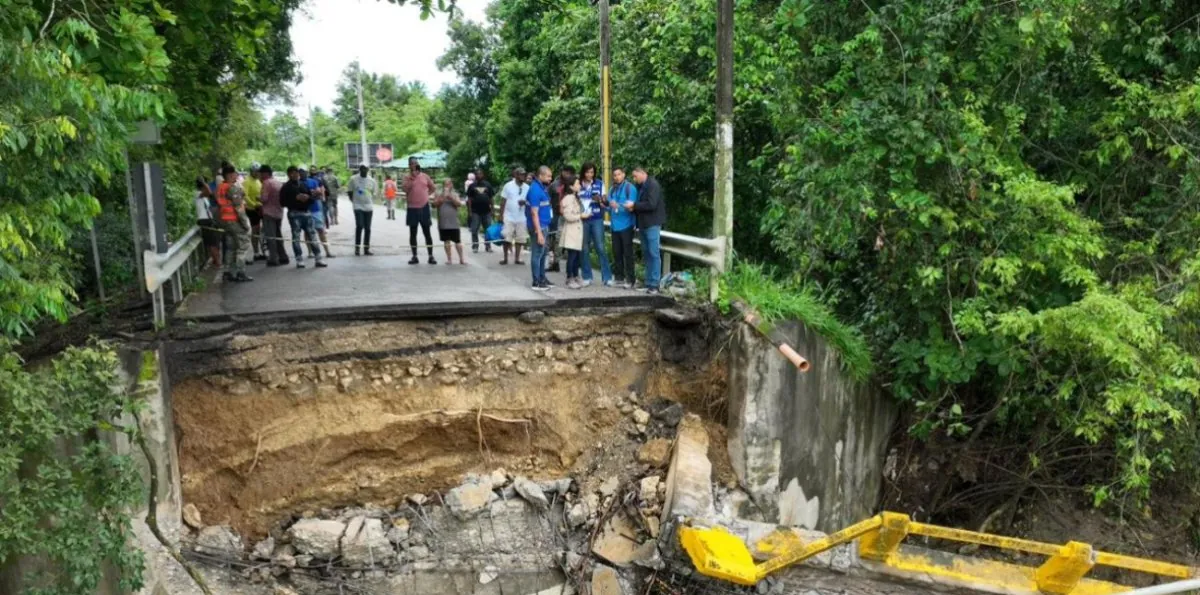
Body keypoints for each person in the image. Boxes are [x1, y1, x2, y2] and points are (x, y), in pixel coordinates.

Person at [628, 167, 666, 294]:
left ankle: (655, 284)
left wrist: (634, 206)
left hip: (652, 223)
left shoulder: (652, 184)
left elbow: (651, 204)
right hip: (643, 224)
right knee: (646, 253)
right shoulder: (640, 186)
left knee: (653, 253)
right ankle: (648, 282)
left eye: (635, 176)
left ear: (643, 173)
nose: (634, 179)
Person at [280, 165, 326, 269]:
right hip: (294, 214)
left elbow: (312, 198)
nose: (295, 175)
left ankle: (318, 258)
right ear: (288, 174)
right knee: (296, 237)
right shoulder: (285, 187)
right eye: (292, 173)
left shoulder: (303, 184)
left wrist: (311, 196)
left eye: (297, 172)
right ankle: (299, 259)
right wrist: (295, 199)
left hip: (306, 212)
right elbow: (282, 203)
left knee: (313, 235)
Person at [576, 162, 612, 287]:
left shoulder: (599, 184)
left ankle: (607, 277)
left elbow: (604, 201)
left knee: (600, 247)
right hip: (582, 219)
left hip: (596, 218)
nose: (589, 175)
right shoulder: (578, 184)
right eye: (587, 172)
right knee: (584, 248)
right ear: (583, 172)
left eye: (592, 172)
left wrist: (601, 200)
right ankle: (587, 276)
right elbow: (574, 199)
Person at [215, 164, 253, 282]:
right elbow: (239, 208)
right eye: (235, 173)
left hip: (224, 220)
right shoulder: (232, 188)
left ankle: (228, 272)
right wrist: (245, 224)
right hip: (234, 219)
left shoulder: (220, 187)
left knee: (230, 247)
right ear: (230, 175)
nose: (237, 175)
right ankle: (241, 272)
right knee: (243, 245)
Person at [402, 157, 437, 264]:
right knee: (413, 233)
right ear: (409, 166)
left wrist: (426, 195)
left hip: (424, 207)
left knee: (427, 232)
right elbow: (405, 189)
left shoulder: (425, 176)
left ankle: (431, 256)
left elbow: (433, 187)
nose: (415, 165)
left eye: (416, 163)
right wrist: (412, 178)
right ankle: (414, 256)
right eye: (412, 163)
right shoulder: (406, 177)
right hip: (412, 208)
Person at [608, 167, 638, 288]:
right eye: (614, 175)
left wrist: (618, 205)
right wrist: (606, 204)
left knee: (628, 253)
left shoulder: (630, 188)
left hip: (626, 225)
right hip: (614, 226)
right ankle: (619, 278)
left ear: (624, 175)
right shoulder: (612, 189)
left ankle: (631, 280)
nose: (616, 177)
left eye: (619, 174)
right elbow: (609, 205)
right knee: (617, 253)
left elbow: (631, 206)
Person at [527, 166, 554, 291]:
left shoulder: (542, 188)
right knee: (537, 254)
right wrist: (539, 233)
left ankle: (542, 278)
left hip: (544, 225)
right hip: (539, 227)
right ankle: (536, 281)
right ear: (541, 176)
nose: (550, 178)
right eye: (548, 176)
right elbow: (534, 213)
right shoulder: (535, 190)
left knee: (543, 254)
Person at [546, 165, 575, 273]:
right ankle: (554, 263)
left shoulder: (574, 184)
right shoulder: (554, 184)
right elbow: (547, 199)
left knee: (570, 240)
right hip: (556, 215)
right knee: (554, 240)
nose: (567, 175)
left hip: (570, 216)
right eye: (565, 172)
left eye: (569, 173)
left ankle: (573, 266)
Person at [258, 165, 288, 266]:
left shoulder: (266, 183)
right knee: (278, 236)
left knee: (270, 237)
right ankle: (283, 256)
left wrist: (258, 198)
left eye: (261, 173)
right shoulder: (277, 182)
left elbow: (264, 199)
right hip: (279, 212)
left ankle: (273, 258)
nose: (260, 175)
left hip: (269, 213)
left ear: (265, 173)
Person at [559, 178, 586, 289]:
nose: (580, 185)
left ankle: (575, 276)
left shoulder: (575, 197)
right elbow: (568, 216)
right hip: (571, 230)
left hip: (577, 230)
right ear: (571, 186)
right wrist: (580, 216)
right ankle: (569, 278)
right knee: (572, 256)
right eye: (578, 183)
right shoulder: (568, 198)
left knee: (577, 255)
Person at [499, 167, 529, 265]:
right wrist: (501, 215)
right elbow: (503, 201)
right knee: (506, 238)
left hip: (521, 217)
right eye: (520, 174)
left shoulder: (527, 187)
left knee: (520, 239)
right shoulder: (508, 186)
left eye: (524, 174)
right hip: (509, 216)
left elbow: (530, 201)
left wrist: (525, 202)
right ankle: (505, 258)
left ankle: (517, 258)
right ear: (515, 175)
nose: (523, 176)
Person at [346, 164, 378, 256]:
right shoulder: (353, 179)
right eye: (362, 168)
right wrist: (354, 201)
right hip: (357, 206)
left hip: (368, 206)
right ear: (359, 169)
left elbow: (374, 193)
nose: (364, 170)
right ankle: (357, 248)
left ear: (368, 169)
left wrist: (369, 198)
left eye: (365, 168)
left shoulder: (372, 180)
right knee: (360, 226)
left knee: (368, 228)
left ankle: (366, 248)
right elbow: (349, 191)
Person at [435, 178, 467, 265]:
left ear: (451, 185)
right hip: (443, 222)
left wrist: (450, 197)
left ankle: (461, 259)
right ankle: (449, 259)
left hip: (454, 222)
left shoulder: (455, 194)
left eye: (449, 184)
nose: (447, 186)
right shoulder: (438, 193)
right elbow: (434, 205)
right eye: (445, 184)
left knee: (458, 241)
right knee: (446, 241)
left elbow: (459, 204)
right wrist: (442, 198)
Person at [466, 168, 496, 254]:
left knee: (488, 230)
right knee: (474, 229)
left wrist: (493, 210)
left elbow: (491, 198)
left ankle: (488, 246)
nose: (479, 175)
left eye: (480, 174)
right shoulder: (472, 186)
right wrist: (469, 211)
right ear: (475, 176)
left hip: (487, 211)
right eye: (477, 174)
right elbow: (469, 199)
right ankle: (475, 246)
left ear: (483, 175)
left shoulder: (488, 185)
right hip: (475, 211)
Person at [194, 177, 222, 268]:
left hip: (209, 219)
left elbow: (211, 194)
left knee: (214, 241)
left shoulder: (203, 196)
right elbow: (209, 191)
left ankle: (215, 260)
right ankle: (218, 263)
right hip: (203, 220)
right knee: (212, 243)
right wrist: (203, 182)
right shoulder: (197, 194)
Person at [243, 163, 265, 262]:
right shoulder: (247, 181)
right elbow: (245, 196)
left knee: (261, 230)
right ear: (251, 171)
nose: (257, 173)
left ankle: (262, 251)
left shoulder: (258, 181)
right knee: (255, 230)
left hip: (260, 208)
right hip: (252, 209)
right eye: (255, 171)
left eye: (258, 171)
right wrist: (253, 204)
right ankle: (256, 252)